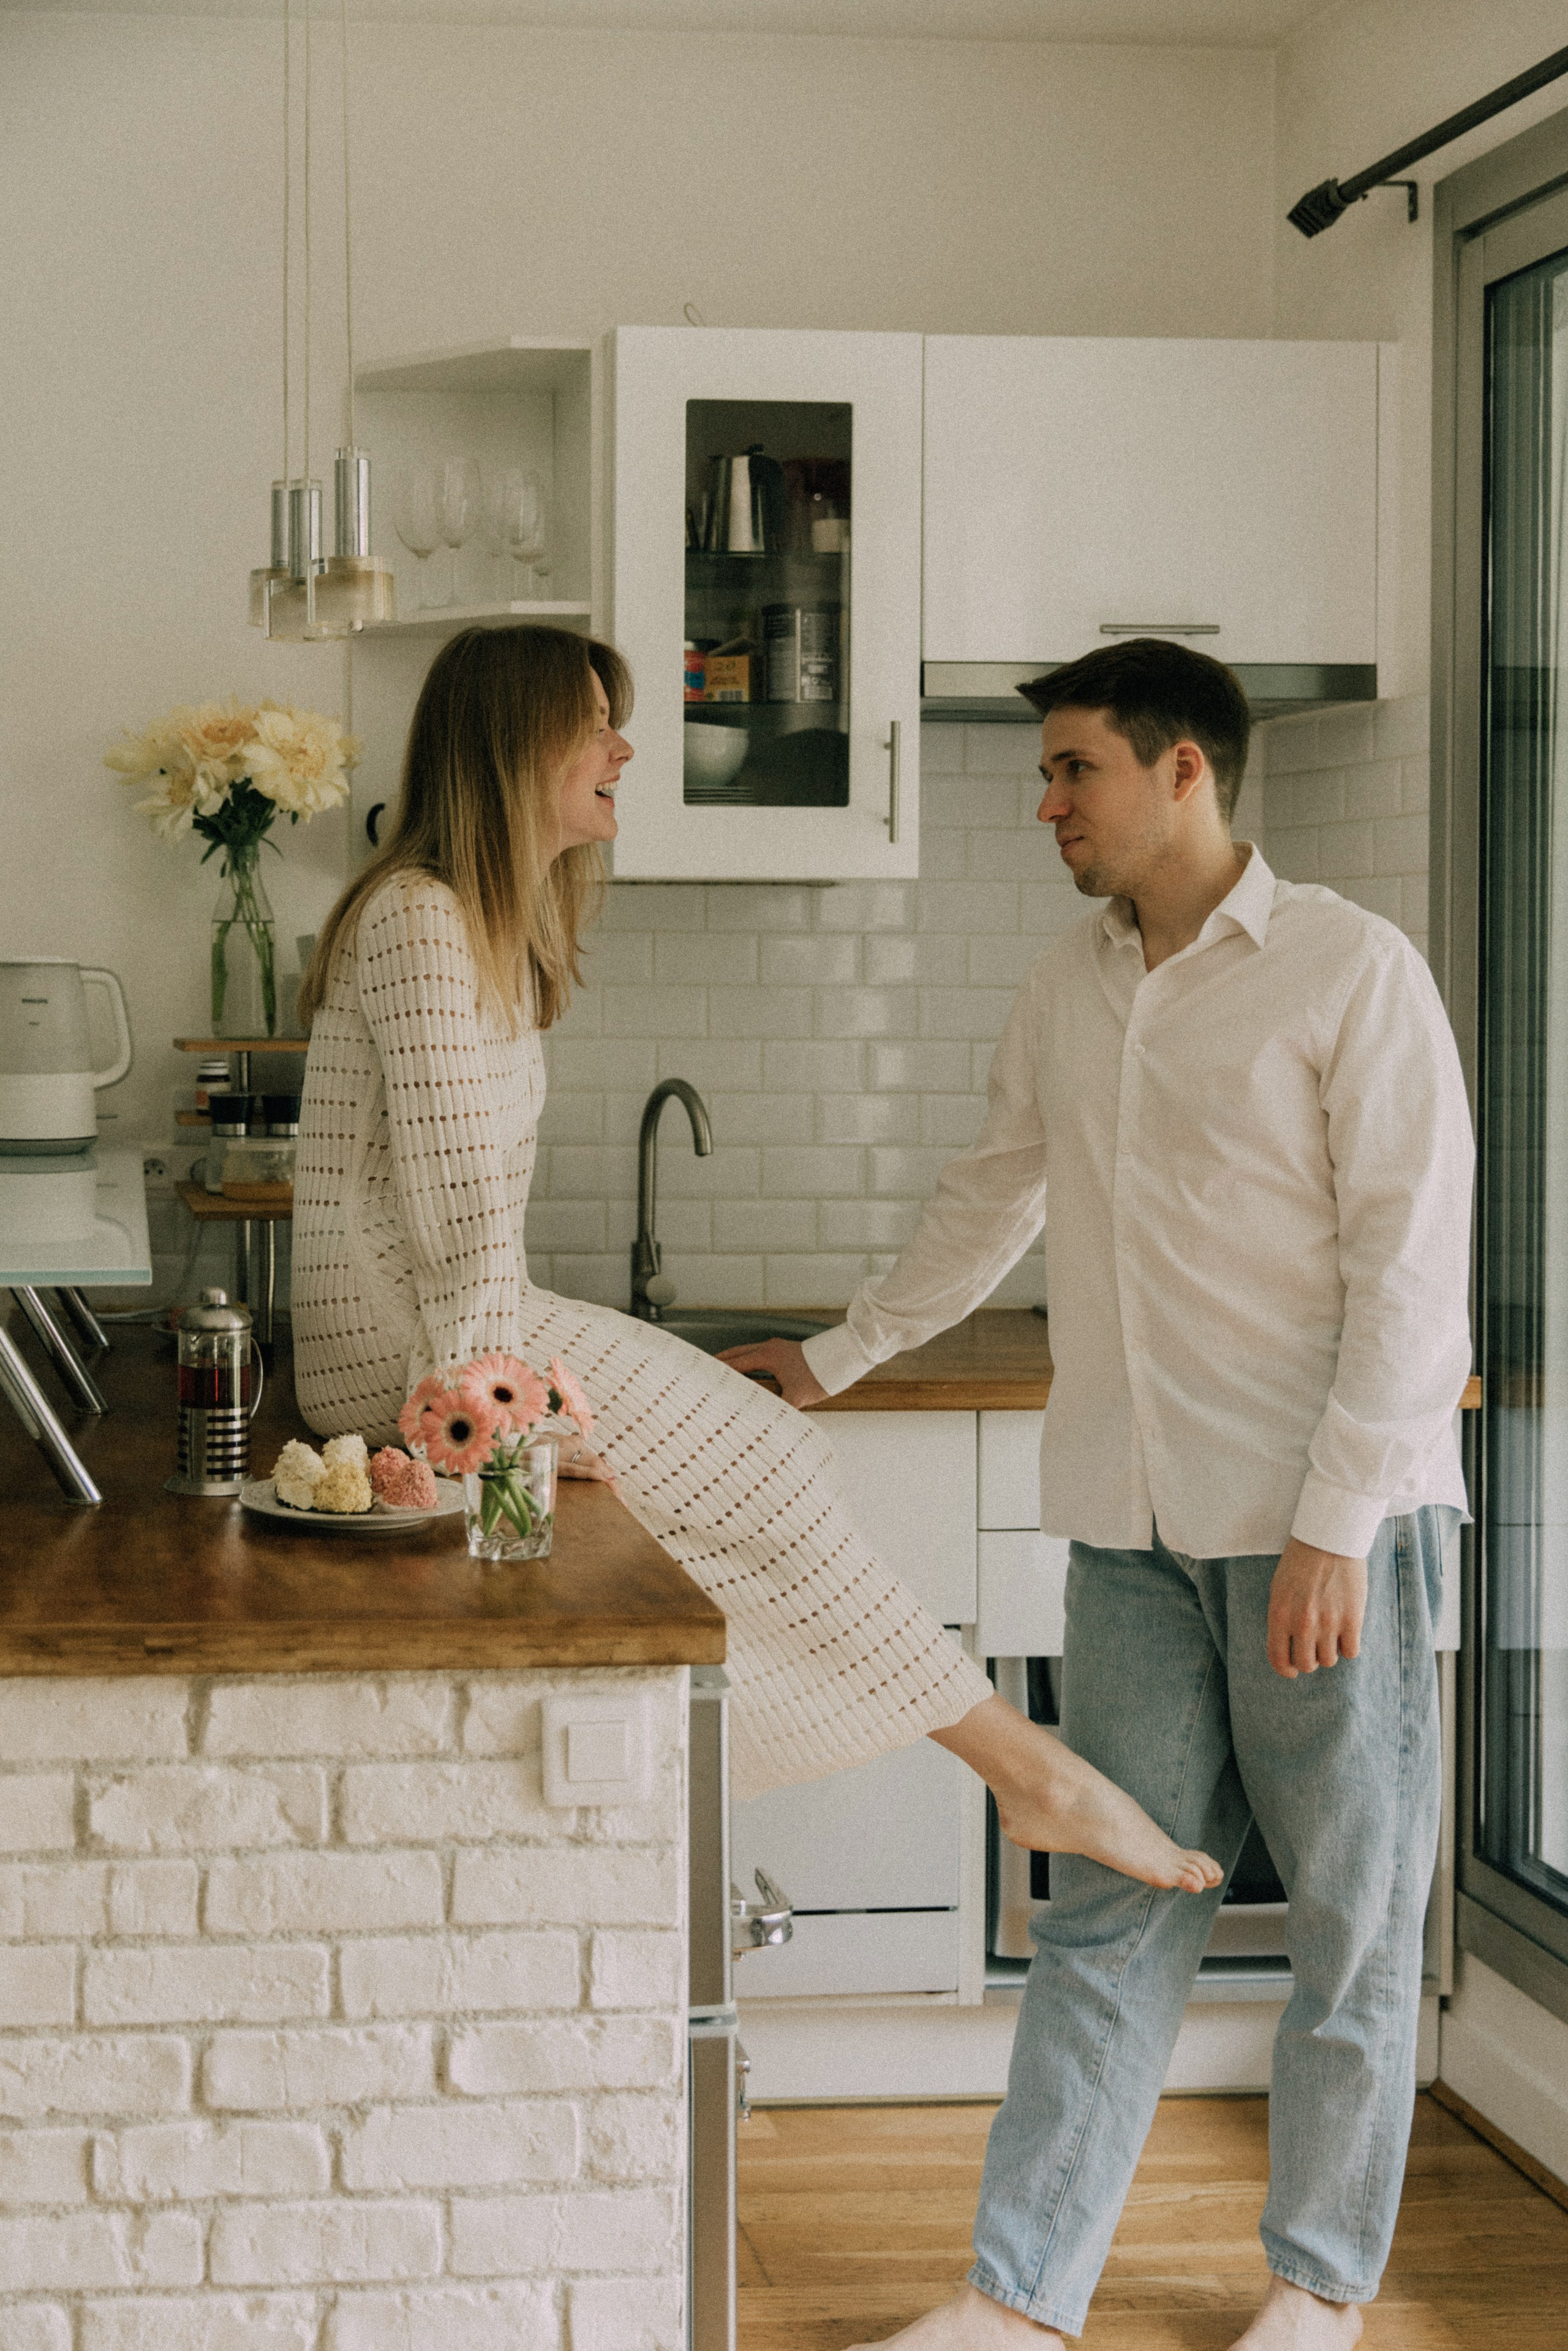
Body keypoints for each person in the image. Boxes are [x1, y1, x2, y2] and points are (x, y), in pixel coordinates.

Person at [725, 638, 1474, 2351]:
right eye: (1048, 770)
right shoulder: (1069, 981)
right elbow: (992, 1192)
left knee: (1351, 1919)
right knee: (1105, 1898)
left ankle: (1318, 2288)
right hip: (1130, 1525)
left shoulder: (1351, 969)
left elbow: (1412, 1276)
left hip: (1319, 1529)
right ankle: (1020, 2294)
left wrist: (1337, 1521)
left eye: (1076, 768)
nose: (1047, 802)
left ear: (1182, 769)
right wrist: (840, 1355)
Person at [290, 622, 1219, 1897]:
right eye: (595, 726)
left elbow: (465, 1228)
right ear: (513, 746)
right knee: (773, 1464)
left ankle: (963, 1774)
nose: (625, 750)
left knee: (746, 1505)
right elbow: (457, 1220)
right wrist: (500, 1432)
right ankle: (1030, 1773)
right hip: (406, 1361)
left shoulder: (470, 924)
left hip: (451, 1339)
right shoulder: (419, 918)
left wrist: (521, 1417)